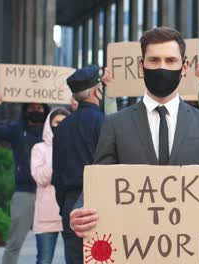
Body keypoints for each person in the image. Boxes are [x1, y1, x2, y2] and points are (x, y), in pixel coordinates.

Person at [69, 27, 199, 243]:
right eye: (154, 60)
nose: (162, 67)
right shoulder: (115, 124)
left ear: (184, 66)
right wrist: (80, 209)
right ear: (142, 66)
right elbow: (99, 181)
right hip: (134, 246)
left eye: (170, 61)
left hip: (189, 246)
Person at [51, 64, 112, 263]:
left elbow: (57, 175)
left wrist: (65, 208)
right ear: (97, 89)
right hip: (99, 204)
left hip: (71, 203)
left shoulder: (62, 127)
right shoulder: (104, 123)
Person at [0, 91, 50, 264]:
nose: (36, 110)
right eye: (32, 107)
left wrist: (75, 108)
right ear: (25, 110)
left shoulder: (52, 130)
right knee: (14, 242)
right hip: (25, 193)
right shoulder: (17, 129)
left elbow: (74, 130)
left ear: (45, 109)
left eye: (39, 107)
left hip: (50, 192)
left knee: (47, 246)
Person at [31, 107, 70, 264]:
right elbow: (40, 178)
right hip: (46, 216)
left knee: (75, 260)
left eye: (64, 123)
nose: (60, 126)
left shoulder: (74, 147)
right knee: (44, 260)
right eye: (56, 123)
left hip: (69, 214)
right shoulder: (39, 149)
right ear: (49, 125)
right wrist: (57, 150)